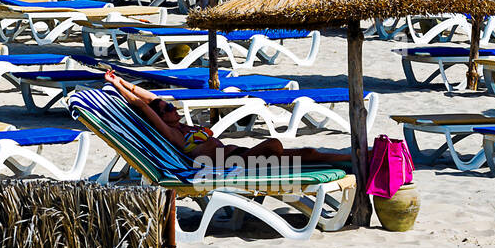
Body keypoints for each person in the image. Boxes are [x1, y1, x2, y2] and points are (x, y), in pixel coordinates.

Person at [104, 70, 350, 169]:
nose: (171, 106)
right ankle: (352, 160)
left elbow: (151, 99)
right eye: (167, 107)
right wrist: (120, 90)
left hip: (240, 155)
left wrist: (124, 82)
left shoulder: (181, 125)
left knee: (306, 154)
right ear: (161, 118)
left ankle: (353, 160)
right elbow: (144, 107)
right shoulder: (173, 135)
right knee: (274, 145)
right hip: (232, 165)